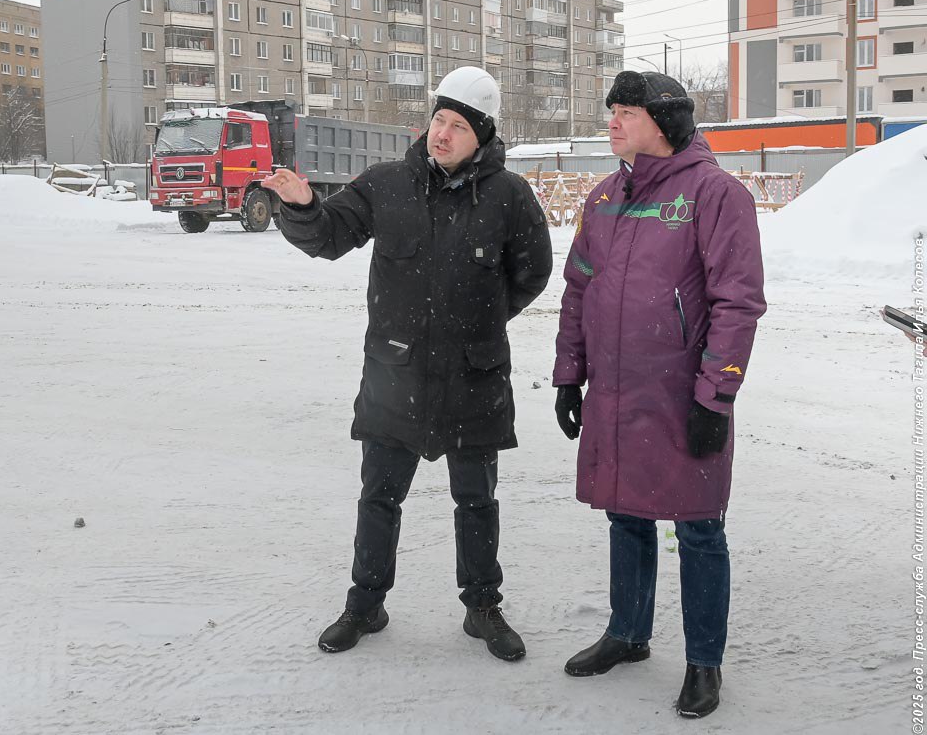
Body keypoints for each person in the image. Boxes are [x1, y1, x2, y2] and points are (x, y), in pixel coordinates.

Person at [261, 66, 552, 661]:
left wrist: (481, 322)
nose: (442, 134)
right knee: (380, 496)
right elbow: (329, 236)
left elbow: (533, 272)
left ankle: (482, 607)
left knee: (476, 499)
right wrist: (302, 204)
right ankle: (365, 605)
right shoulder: (387, 185)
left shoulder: (509, 196)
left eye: (457, 126)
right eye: (438, 120)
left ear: (483, 135)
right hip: (396, 374)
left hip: (474, 375)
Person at [551, 70, 766, 718]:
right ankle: (628, 633)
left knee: (698, 529)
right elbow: (580, 289)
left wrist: (715, 398)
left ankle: (705, 662)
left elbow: (738, 303)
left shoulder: (715, 195)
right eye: (610, 111)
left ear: (664, 123)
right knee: (627, 513)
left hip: (684, 396)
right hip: (617, 395)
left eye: (626, 112)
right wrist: (569, 373)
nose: (612, 122)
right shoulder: (604, 198)